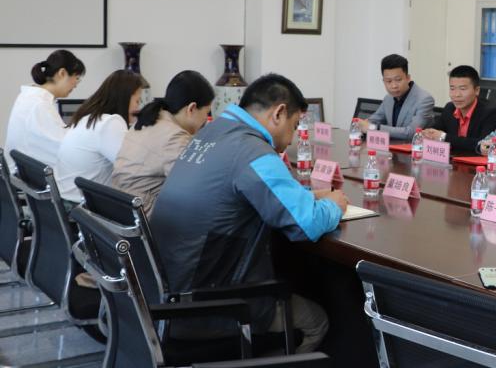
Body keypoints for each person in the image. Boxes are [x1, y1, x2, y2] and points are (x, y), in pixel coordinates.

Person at [150, 73, 348, 354]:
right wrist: (335, 205)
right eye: (294, 126)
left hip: (165, 291)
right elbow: (306, 224)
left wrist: (308, 196)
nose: (292, 138)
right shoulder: (253, 150)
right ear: (278, 113)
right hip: (207, 306)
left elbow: (240, 190)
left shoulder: (212, 132)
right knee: (317, 322)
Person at [111, 70, 214, 216]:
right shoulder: (174, 136)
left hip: (121, 210)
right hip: (143, 216)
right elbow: (193, 188)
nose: (206, 119)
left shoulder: (149, 120)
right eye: (207, 112)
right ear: (191, 108)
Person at [55, 70, 143, 204]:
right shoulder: (110, 123)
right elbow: (135, 168)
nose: (139, 107)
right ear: (124, 98)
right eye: (137, 100)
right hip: (87, 208)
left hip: (70, 202)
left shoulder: (87, 118)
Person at [4, 50, 85, 173]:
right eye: (77, 78)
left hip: (19, 173)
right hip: (27, 177)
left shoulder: (30, 96)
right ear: (62, 73)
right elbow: (63, 148)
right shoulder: (40, 104)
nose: (76, 85)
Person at [422, 65, 496, 153]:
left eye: (463, 89)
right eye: (452, 89)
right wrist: (428, 134)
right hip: (452, 159)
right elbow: (436, 131)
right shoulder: (449, 108)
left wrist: (444, 137)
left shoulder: (491, 113)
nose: (457, 95)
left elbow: (483, 145)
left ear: (477, 90)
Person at [357, 54, 434, 141]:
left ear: (408, 78)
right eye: (388, 81)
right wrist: (363, 124)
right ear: (383, 81)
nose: (394, 86)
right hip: (391, 146)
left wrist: (374, 128)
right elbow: (374, 120)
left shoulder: (424, 99)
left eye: (398, 80)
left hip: (414, 148)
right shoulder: (388, 98)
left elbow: (412, 133)